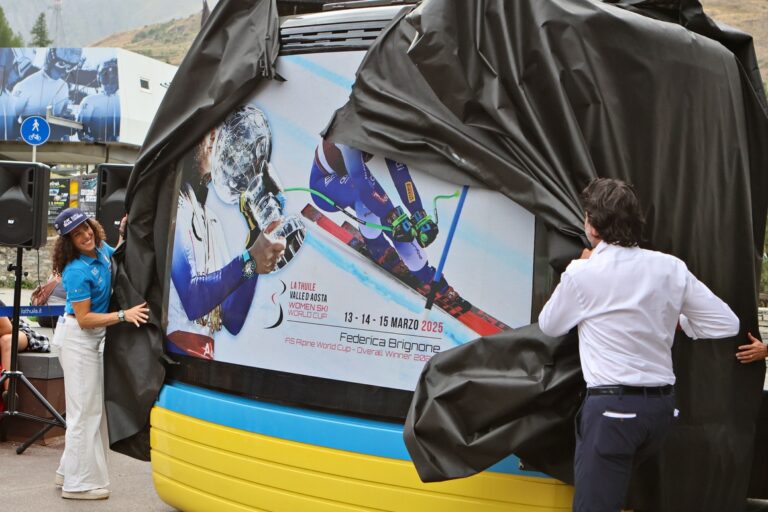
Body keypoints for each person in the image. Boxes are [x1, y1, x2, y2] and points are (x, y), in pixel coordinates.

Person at [538, 178, 739, 512]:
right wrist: (681, 322)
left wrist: (577, 267)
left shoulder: (584, 273)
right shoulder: (670, 267)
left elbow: (550, 325)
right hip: (660, 411)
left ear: (592, 226)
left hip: (614, 410)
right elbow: (726, 323)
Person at [167, 105, 287, 359]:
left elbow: (232, 319)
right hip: (174, 356)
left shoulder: (212, 221)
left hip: (206, 359)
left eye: (218, 128)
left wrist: (255, 241)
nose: (215, 135)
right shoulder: (173, 209)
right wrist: (249, 259)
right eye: (206, 129)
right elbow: (193, 301)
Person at [51, 207, 149, 500]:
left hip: (91, 339)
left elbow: (115, 259)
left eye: (86, 227)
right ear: (68, 242)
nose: (85, 235)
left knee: (87, 409)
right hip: (78, 339)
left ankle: (67, 471)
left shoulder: (101, 250)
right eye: (76, 234)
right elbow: (84, 319)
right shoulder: (76, 270)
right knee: (85, 413)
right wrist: (123, 315)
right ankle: (78, 485)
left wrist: (123, 234)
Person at [309, 140, 467, 312]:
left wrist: (418, 214)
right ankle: (378, 248)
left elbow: (401, 175)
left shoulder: (390, 132)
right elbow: (361, 182)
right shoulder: (351, 136)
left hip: (352, 175)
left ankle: (426, 274)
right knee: (378, 204)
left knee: (390, 213)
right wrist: (392, 217)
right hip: (324, 186)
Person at [11, 48, 81, 141]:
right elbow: (9, 122)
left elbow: (62, 121)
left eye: (70, 67)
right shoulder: (25, 86)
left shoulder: (64, 86)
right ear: (50, 60)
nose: (65, 71)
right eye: (61, 64)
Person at [77, 58, 120, 142]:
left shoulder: (123, 102)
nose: (109, 84)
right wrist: (87, 138)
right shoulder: (89, 101)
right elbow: (81, 129)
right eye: (105, 79)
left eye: (114, 80)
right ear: (99, 79)